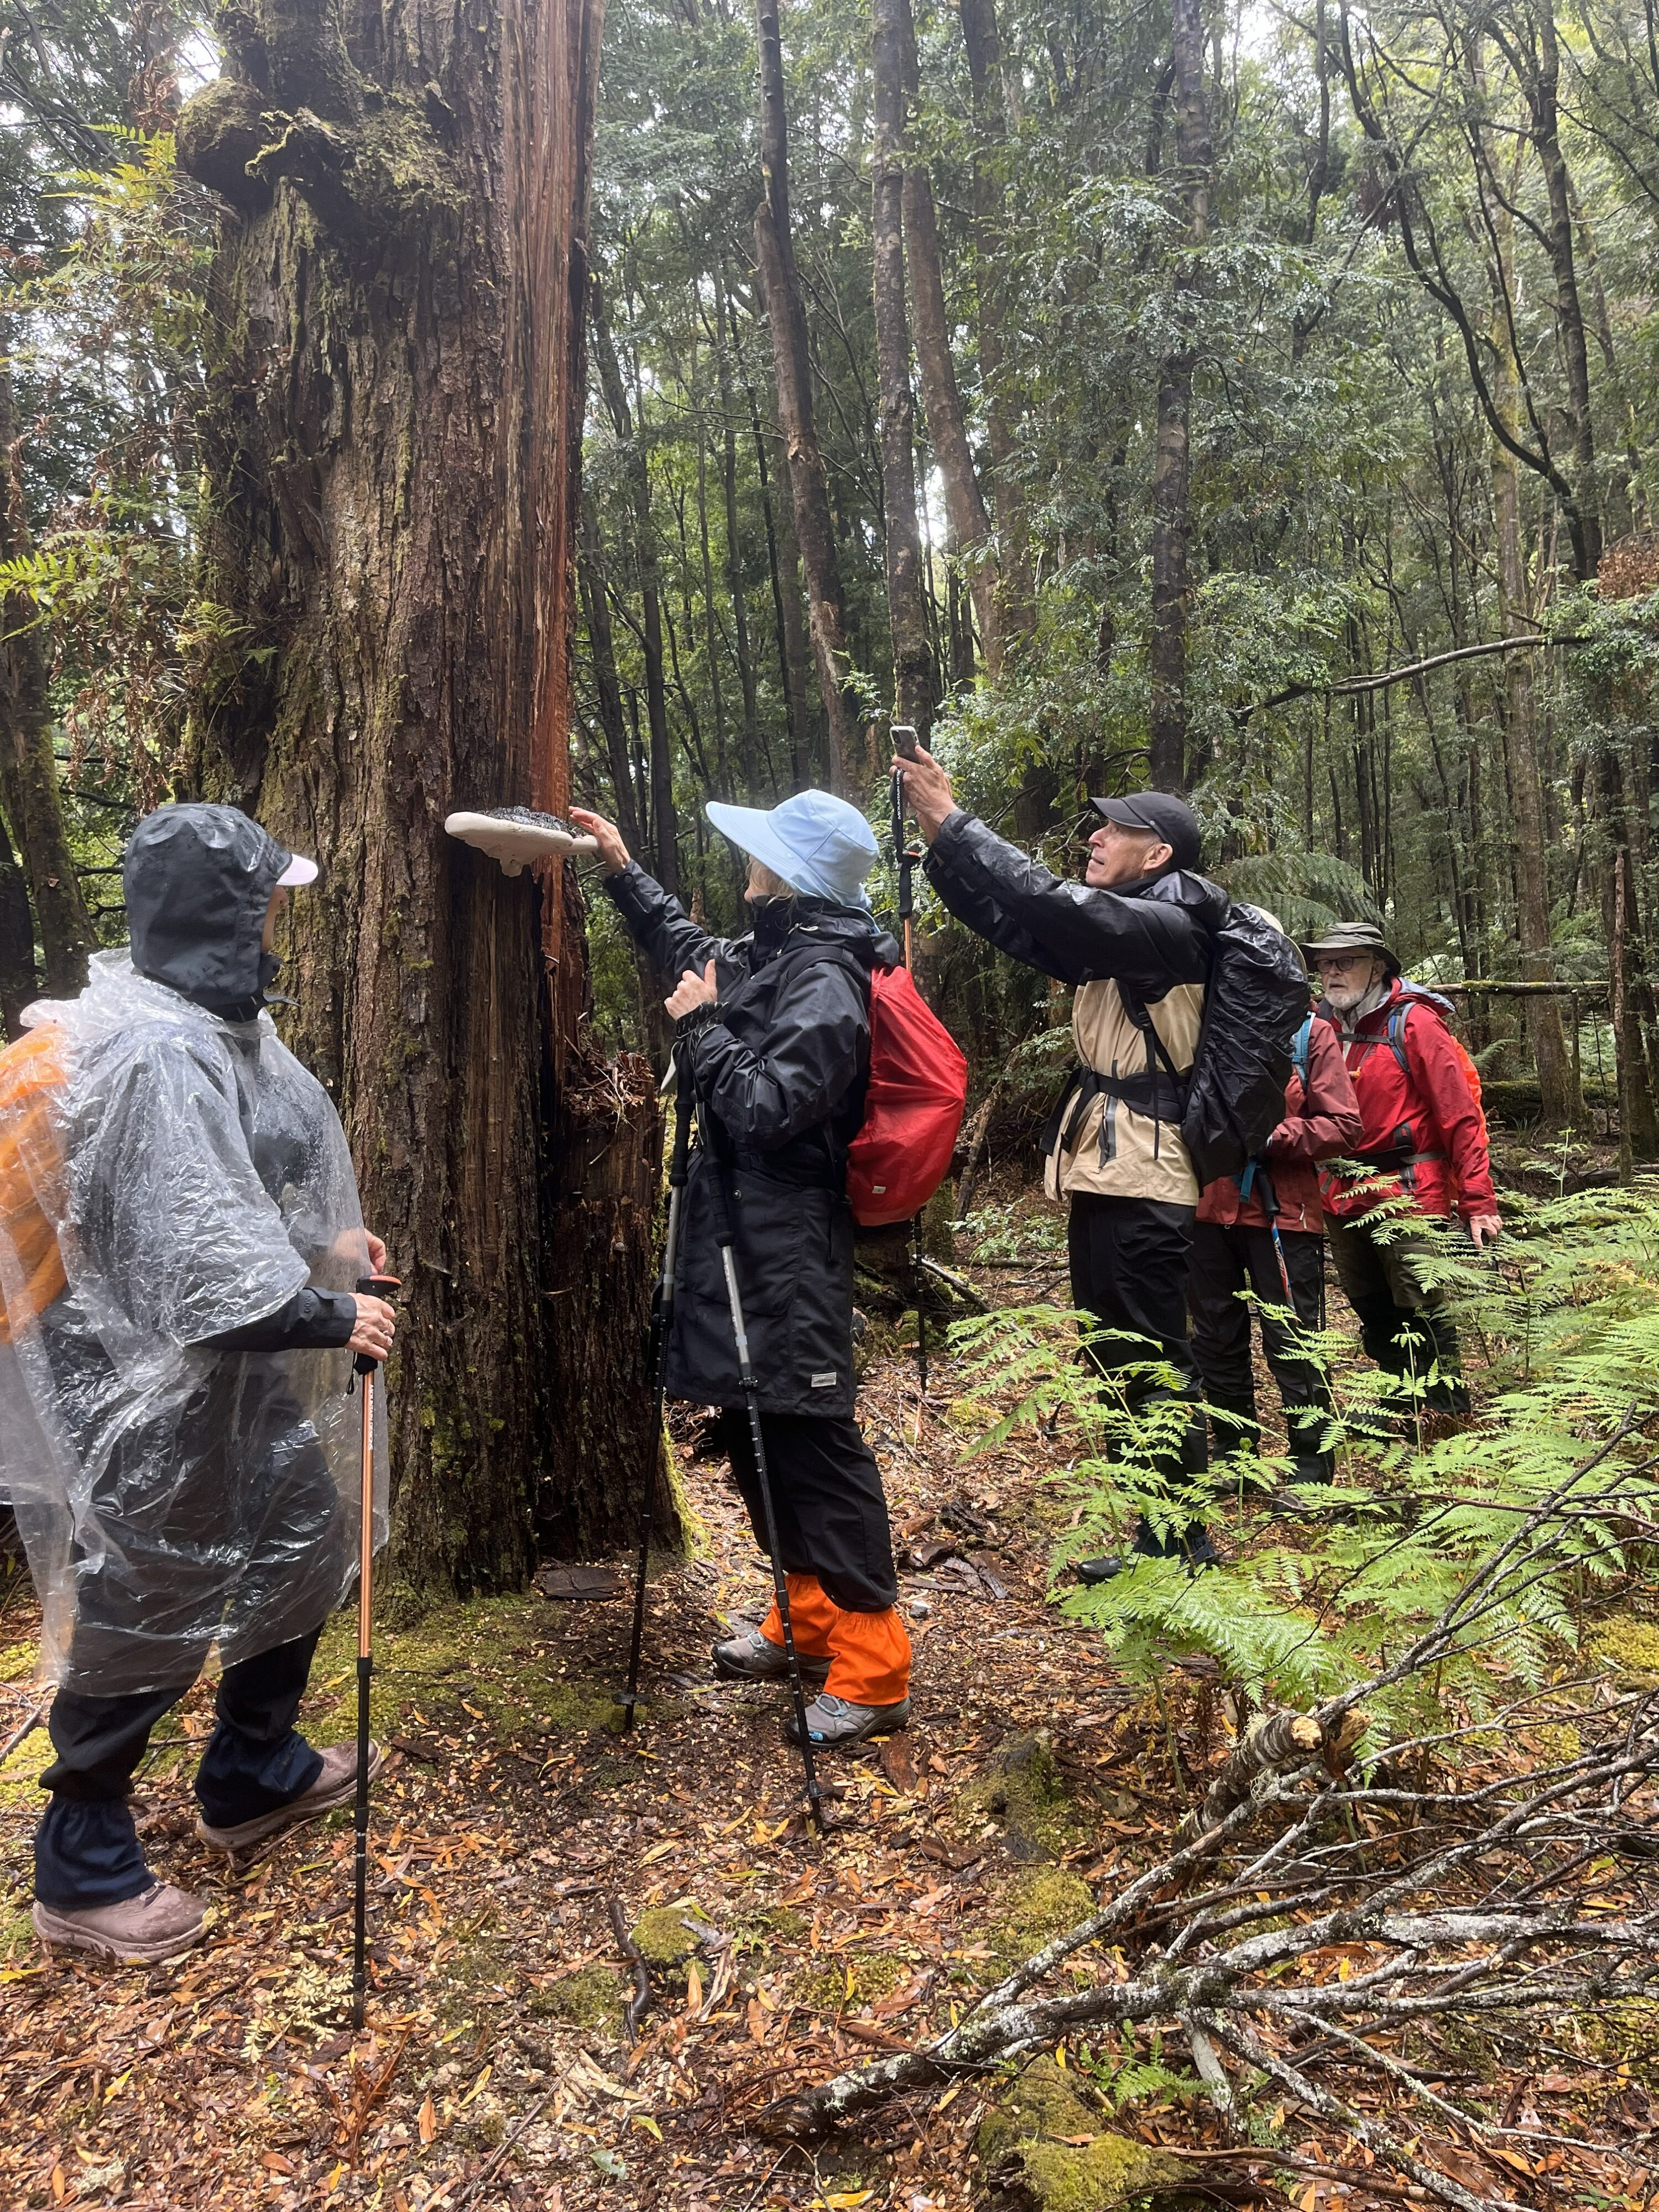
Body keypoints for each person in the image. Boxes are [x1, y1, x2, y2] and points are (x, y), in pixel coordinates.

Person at [6, 804, 395, 1965]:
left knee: (303, 1536)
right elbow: (199, 1277)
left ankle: (254, 1768)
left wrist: (327, 1248)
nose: (280, 920)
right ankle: (81, 1865)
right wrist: (334, 1312)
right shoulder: (155, 1052)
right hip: (143, 1391)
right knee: (145, 1603)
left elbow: (229, 1194)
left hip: (221, 1381)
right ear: (230, 912)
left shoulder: (213, 1029)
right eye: (268, 900)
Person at [569, 791, 913, 1750]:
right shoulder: (776, 949)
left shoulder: (828, 978)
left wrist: (704, 1030)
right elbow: (694, 953)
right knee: (755, 1427)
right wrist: (622, 871)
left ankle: (876, 1665)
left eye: (760, 853)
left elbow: (771, 1107)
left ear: (791, 877)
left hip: (789, 1240)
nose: (745, 863)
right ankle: (808, 1615)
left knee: (811, 1437)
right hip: (735, 1230)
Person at [895, 749, 1224, 1574]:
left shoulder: (1169, 927)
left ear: (1159, 855)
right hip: (1110, 1166)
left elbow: (1049, 901)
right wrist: (943, 853)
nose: (1095, 837)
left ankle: (1184, 1544)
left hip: (1148, 1171)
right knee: (1114, 1350)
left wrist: (954, 822)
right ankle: (1155, 1535)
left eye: (1116, 830)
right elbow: (1019, 924)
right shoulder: (1123, 933)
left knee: (1152, 1353)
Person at [1303, 922, 1500, 1417]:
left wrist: (1478, 1201)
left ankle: (1447, 1415)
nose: (1332, 972)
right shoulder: (1322, 1024)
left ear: (1377, 967)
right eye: (1325, 963)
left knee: (1421, 1305)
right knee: (1370, 1305)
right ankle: (1400, 1407)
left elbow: (1460, 1115)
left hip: (1410, 1191)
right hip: (1341, 1192)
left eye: (1345, 961)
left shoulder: (1414, 1023)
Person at [1188, 996, 1362, 1485]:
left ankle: (1311, 1460)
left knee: (1292, 1337)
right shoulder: (1202, 1026)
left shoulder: (1309, 1034)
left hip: (1283, 1212)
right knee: (1216, 1335)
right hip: (1206, 1206)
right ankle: (1235, 1451)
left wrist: (1269, 1136)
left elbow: (1344, 1125)